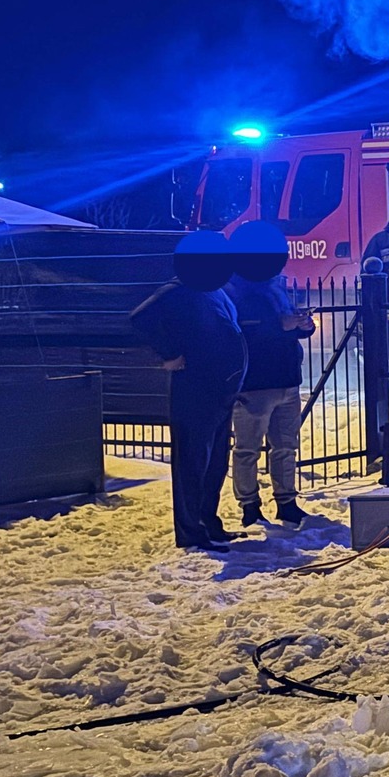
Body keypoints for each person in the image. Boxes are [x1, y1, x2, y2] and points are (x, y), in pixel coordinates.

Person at [130, 231, 248, 551]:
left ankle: (208, 523)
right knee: (193, 465)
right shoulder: (178, 289)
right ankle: (191, 532)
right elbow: (140, 318)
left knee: (214, 464)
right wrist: (169, 354)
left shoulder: (214, 290)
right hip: (195, 390)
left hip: (220, 392)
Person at [225, 221, 313, 527]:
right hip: (255, 383)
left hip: (287, 378)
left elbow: (285, 325)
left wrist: (302, 326)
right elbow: (239, 333)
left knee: (286, 446)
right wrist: (281, 325)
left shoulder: (275, 286)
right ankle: (249, 506)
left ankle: (286, 502)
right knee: (247, 449)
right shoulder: (233, 289)